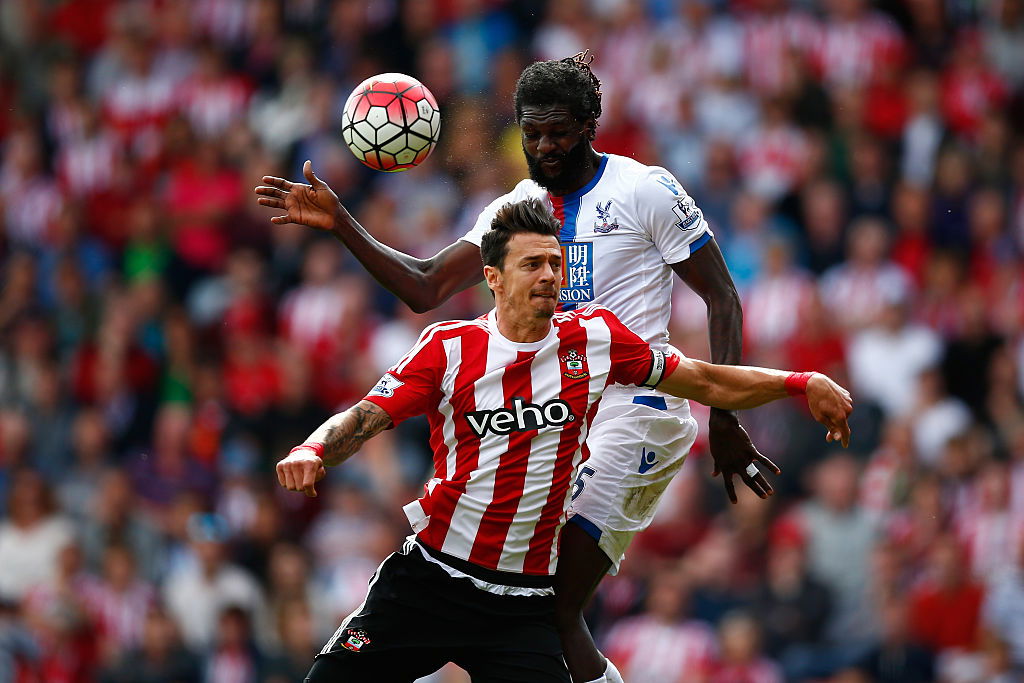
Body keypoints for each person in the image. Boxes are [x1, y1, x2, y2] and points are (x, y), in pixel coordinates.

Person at [257, 52, 776, 683]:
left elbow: (722, 295)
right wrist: (341, 223)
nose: (543, 145)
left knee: (548, 600)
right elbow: (426, 286)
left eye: (558, 131)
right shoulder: (520, 210)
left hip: (637, 412)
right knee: (533, 596)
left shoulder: (645, 189)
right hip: (559, 417)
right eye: (531, 132)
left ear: (590, 123)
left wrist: (723, 418)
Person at [275, 199, 854, 682]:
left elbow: (702, 378)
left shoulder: (594, 338)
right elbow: (364, 417)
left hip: (521, 604)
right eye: (533, 265)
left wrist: (799, 382)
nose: (551, 275)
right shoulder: (446, 349)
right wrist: (312, 449)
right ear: (494, 278)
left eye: (556, 262)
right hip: (430, 582)